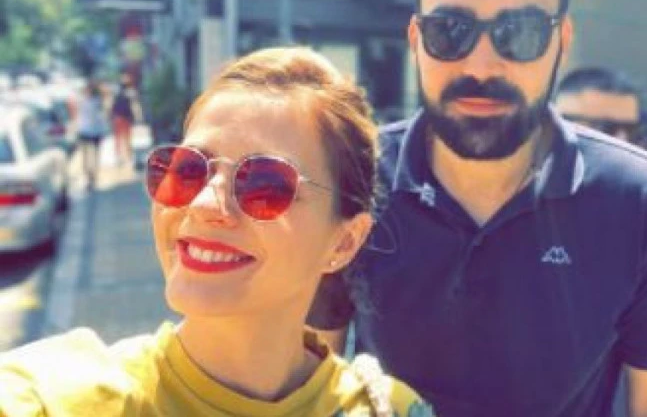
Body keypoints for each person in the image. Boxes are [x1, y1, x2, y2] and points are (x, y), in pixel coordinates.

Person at [308, 0, 647, 415]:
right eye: (450, 29)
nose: (481, 65)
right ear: (416, 40)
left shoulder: (640, 200)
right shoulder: (354, 176)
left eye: (521, 32)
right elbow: (309, 381)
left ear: (561, 42)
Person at [0, 48, 432, 417]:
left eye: (265, 185)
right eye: (186, 170)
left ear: (345, 241)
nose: (205, 204)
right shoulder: (59, 396)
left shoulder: (389, 408)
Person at [75, 80, 108, 190]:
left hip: (92, 131)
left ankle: (92, 177)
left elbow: (102, 116)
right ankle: (90, 177)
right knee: (87, 157)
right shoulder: (88, 101)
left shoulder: (95, 102)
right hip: (86, 131)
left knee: (92, 156)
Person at [110, 73, 142, 167]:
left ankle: (120, 157)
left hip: (118, 117)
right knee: (127, 138)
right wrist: (138, 116)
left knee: (119, 138)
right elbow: (134, 105)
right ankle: (127, 156)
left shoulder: (116, 92)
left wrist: (111, 115)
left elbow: (112, 105)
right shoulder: (131, 92)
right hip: (126, 117)